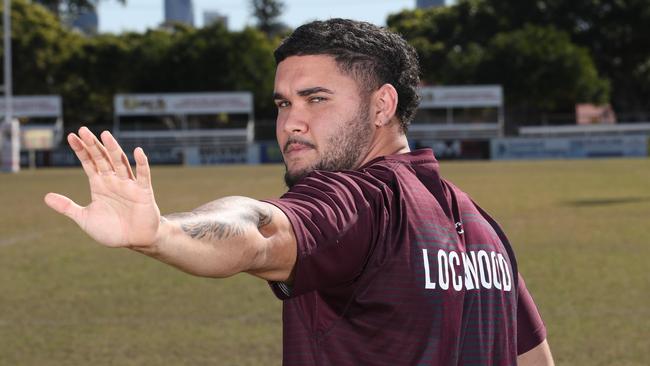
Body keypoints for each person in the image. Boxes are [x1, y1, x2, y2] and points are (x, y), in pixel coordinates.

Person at [45, 19, 553, 366]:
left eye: (316, 99)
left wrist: (162, 233)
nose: (291, 122)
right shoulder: (483, 227)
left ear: (382, 106)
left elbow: (260, 230)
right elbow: (534, 357)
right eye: (283, 103)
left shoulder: (360, 201)